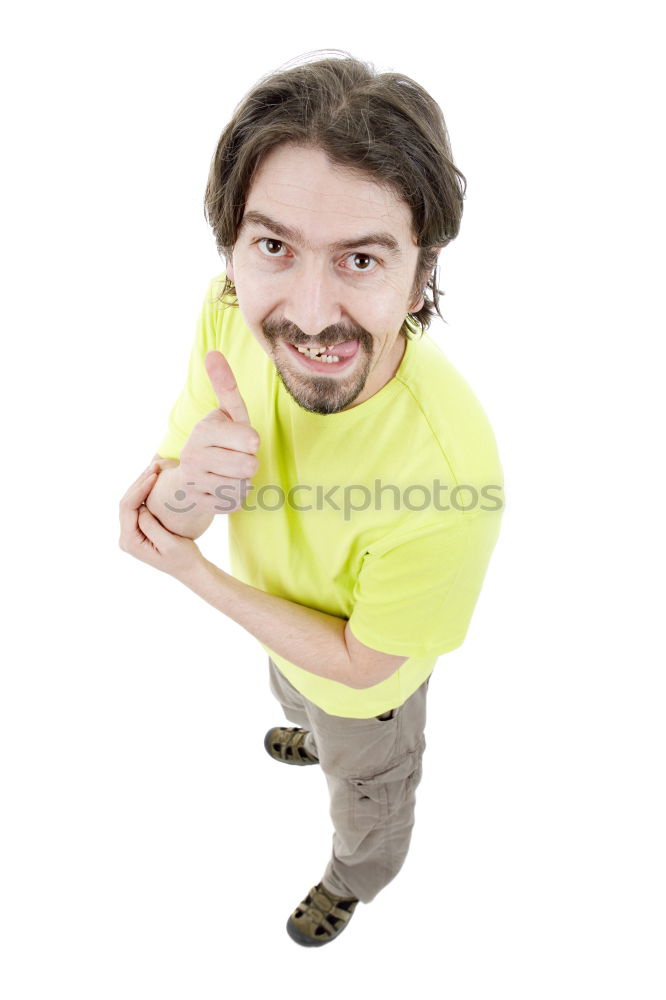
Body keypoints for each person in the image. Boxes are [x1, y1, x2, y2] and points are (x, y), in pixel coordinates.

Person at [119, 53, 505, 948]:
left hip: (368, 684)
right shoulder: (226, 315)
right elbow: (174, 490)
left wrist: (190, 572)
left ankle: (355, 875)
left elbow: (364, 666)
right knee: (296, 693)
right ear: (233, 249)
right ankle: (307, 733)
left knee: (365, 779)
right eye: (274, 246)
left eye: (361, 259)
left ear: (420, 275)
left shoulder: (453, 478)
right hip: (286, 631)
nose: (311, 312)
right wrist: (187, 491)